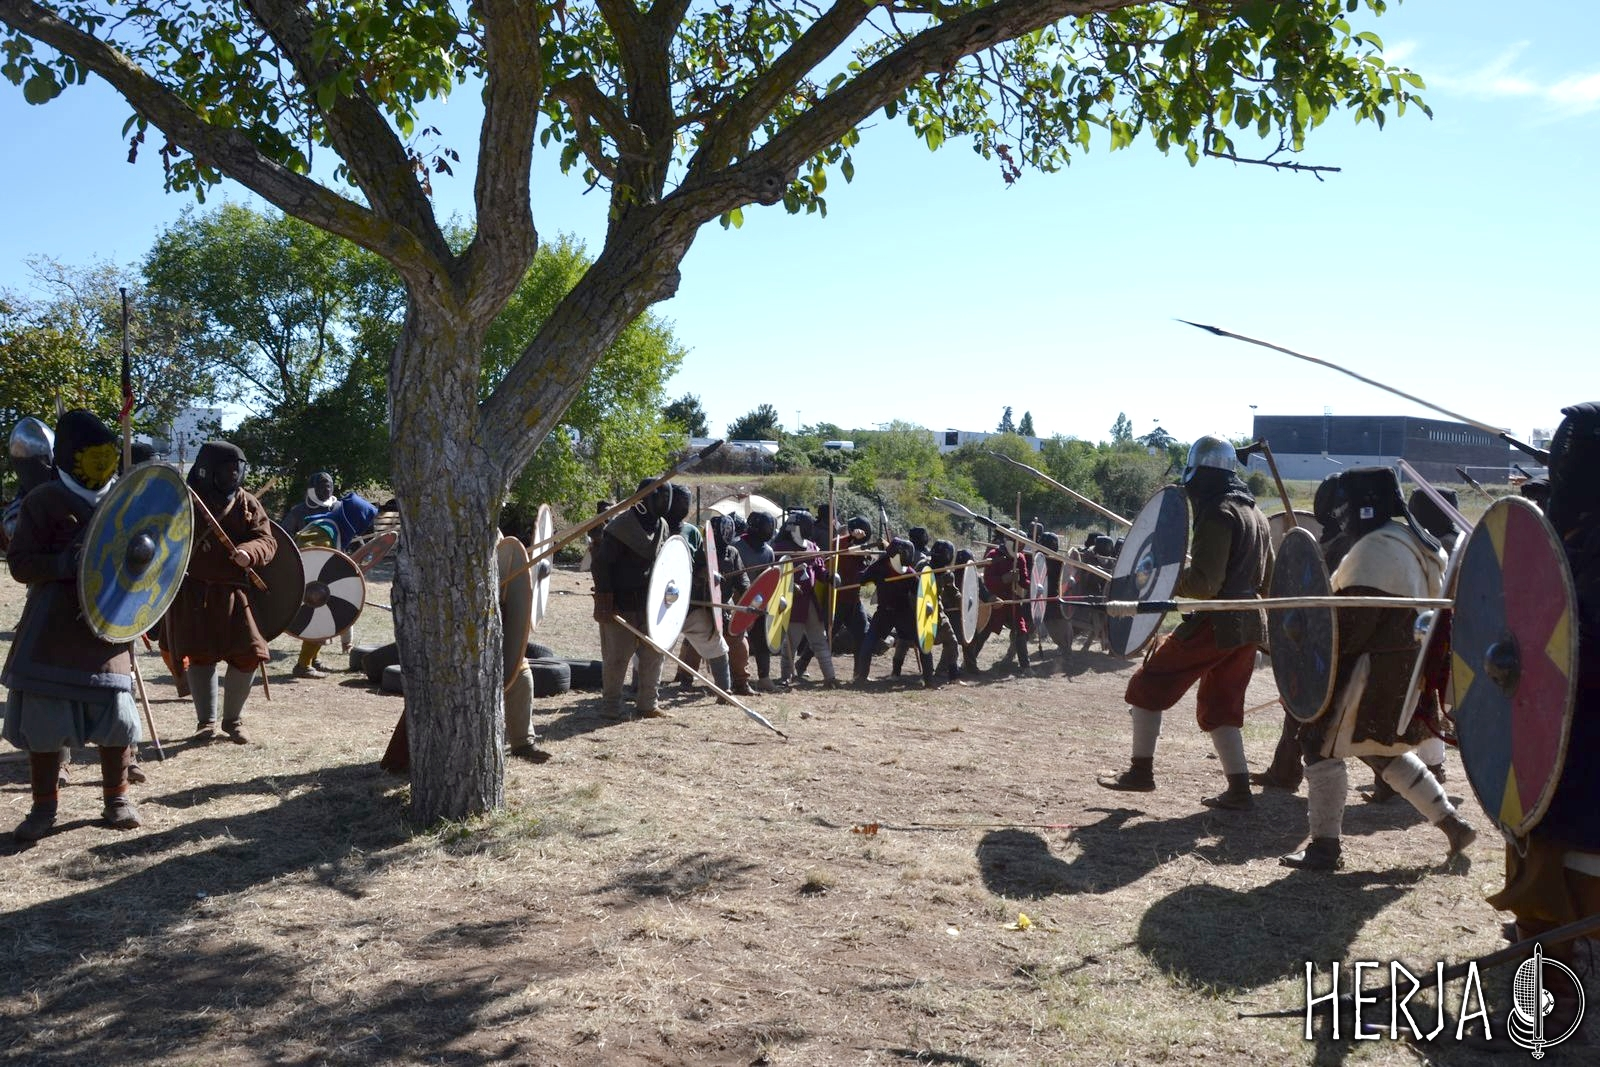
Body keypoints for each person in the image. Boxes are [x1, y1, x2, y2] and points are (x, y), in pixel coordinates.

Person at [1281, 466, 1475, 869]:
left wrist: (1312, 657)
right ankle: (1453, 824)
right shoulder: (1414, 542)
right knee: (1381, 747)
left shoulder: (1376, 551)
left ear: (1364, 507)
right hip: (1406, 671)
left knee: (1317, 743)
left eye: (1346, 509)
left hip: (1371, 673)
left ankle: (1324, 849)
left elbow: (1350, 629)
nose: (1342, 518)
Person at [1099, 435, 1273, 810]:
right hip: (1249, 623)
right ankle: (1239, 790)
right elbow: (1268, 577)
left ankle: (1140, 772)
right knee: (1221, 703)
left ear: (1200, 474)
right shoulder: (1256, 514)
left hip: (1218, 622)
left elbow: (1205, 585)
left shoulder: (1219, 512)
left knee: (1148, 684)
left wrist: (1163, 578)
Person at [1486, 403, 1600, 966]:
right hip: (1561, 728)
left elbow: (1577, 650)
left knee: (1558, 859)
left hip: (1582, 741)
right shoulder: (1572, 534)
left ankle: (1553, 983)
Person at [2, 410, 143, 839]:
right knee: (46, 722)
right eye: (91, 455)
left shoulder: (126, 499)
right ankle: (43, 808)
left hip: (107, 624)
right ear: (68, 457)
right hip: (54, 626)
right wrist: (66, 564)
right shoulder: (43, 500)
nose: (102, 463)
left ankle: (116, 799)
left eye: (107, 454)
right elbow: (21, 564)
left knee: (116, 716)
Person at [163, 440, 278, 744]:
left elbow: (267, 541)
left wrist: (249, 552)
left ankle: (233, 720)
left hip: (234, 593)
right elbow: (164, 539)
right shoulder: (184, 501)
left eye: (236, 470)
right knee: (201, 656)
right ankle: (206, 722)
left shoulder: (247, 503)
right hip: (194, 591)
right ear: (207, 470)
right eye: (226, 470)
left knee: (249, 654)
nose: (233, 476)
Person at [592, 480, 671, 720]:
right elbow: (601, 564)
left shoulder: (662, 526)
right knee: (616, 658)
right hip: (621, 604)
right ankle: (611, 706)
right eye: (660, 496)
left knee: (654, 654)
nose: (665, 501)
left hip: (651, 604)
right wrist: (605, 600)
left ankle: (648, 704)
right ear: (644, 499)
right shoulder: (619, 528)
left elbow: (666, 562)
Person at [854, 537, 935, 687]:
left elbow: (922, 593)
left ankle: (929, 680)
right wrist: (866, 572)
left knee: (922, 643)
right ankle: (861, 677)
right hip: (884, 612)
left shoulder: (909, 573)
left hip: (904, 612)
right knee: (868, 643)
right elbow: (863, 579)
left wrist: (927, 605)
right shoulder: (880, 567)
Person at [774, 511, 840, 689]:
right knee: (791, 642)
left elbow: (818, 570)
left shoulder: (811, 546)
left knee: (820, 640)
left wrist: (829, 577)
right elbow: (776, 574)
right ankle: (786, 676)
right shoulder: (781, 548)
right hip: (792, 603)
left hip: (810, 600)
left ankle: (830, 677)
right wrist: (789, 586)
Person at [965, 533, 1031, 673]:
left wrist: (1023, 581)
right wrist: (1004, 579)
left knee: (1020, 631)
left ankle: (1025, 666)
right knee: (984, 631)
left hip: (1012, 602)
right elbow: (988, 581)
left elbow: (1025, 581)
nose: (1022, 546)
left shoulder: (1020, 558)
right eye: (1020, 543)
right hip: (995, 601)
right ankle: (968, 664)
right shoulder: (994, 555)